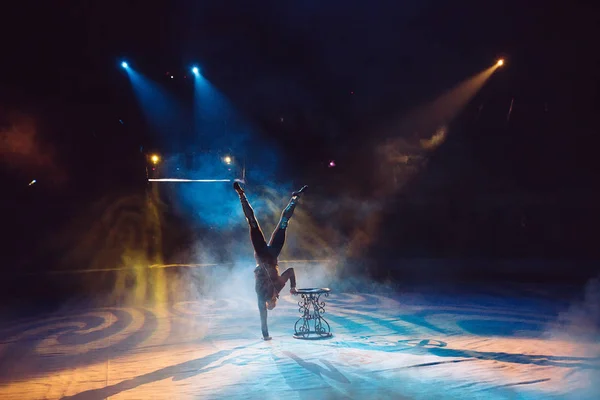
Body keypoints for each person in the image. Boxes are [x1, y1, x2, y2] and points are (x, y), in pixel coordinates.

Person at [234, 181, 307, 340]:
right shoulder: (279, 287)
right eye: (274, 302)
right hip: (273, 254)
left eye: (271, 302)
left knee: (252, 223)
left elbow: (263, 317)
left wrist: (265, 335)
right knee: (283, 224)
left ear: (268, 302)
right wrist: (293, 287)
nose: (273, 300)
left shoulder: (261, 295)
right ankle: (295, 198)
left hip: (261, 254)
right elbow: (291, 271)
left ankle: (241, 195)